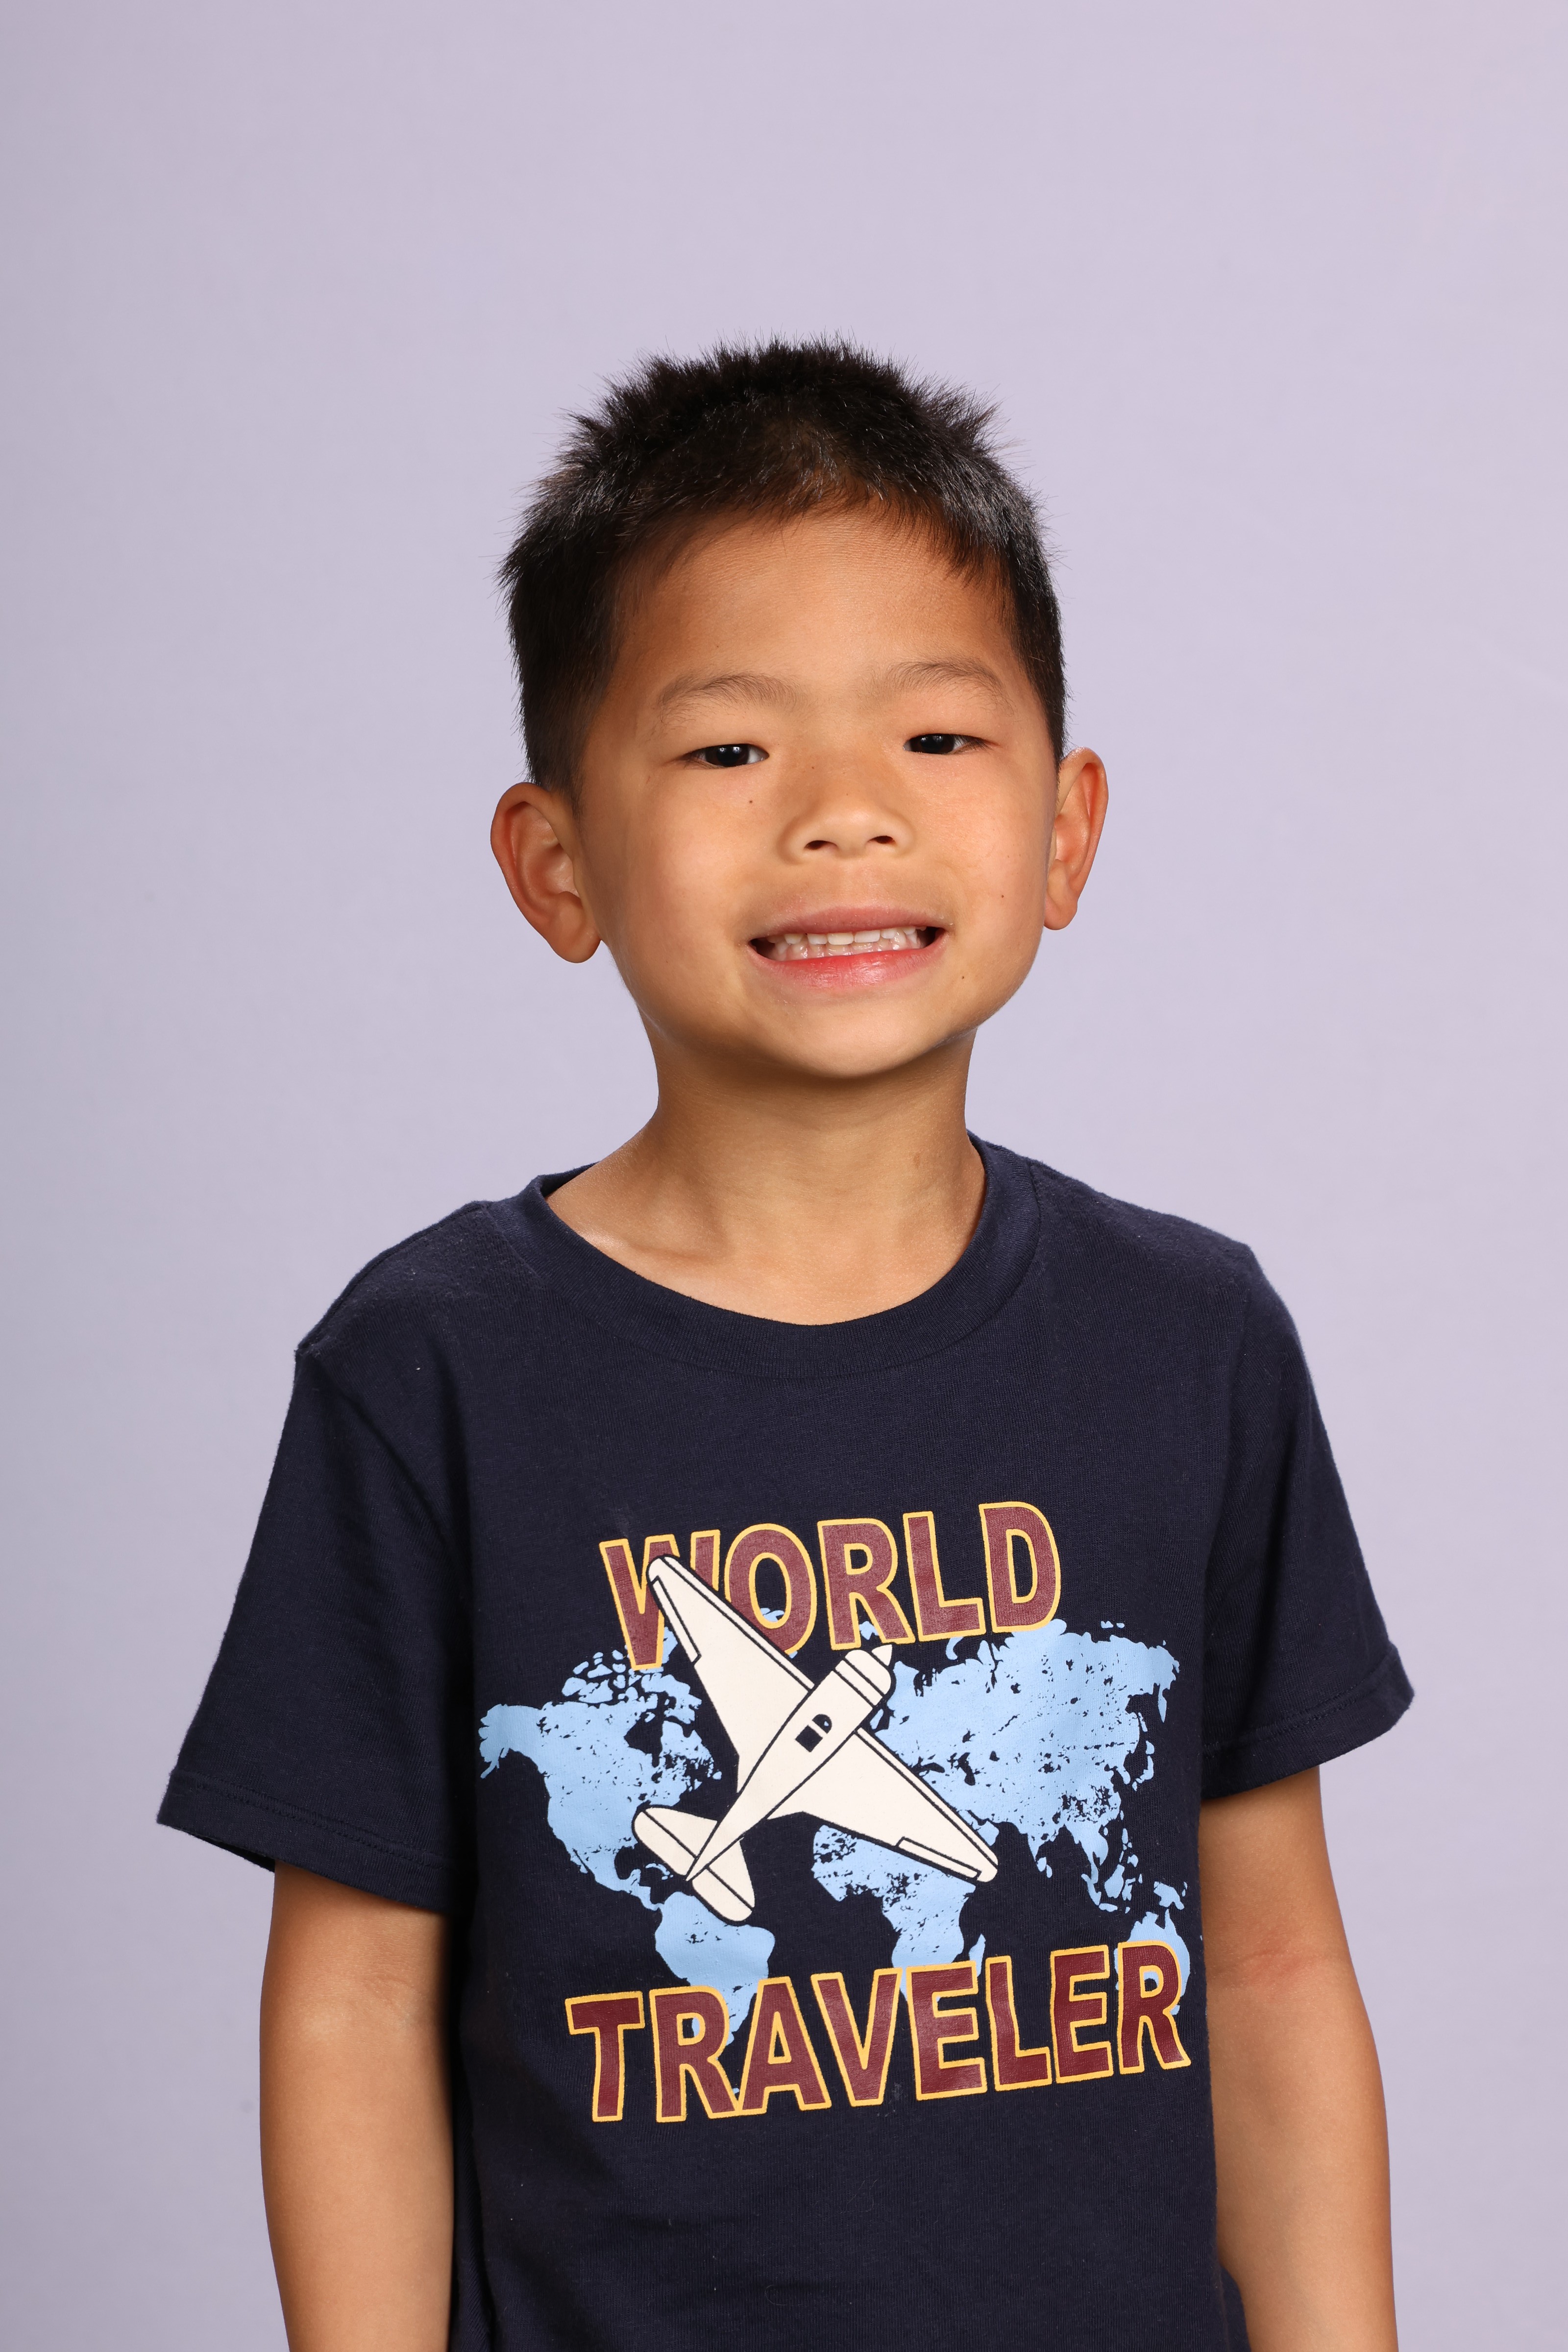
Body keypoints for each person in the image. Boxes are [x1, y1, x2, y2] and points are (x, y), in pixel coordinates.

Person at [160, 340, 1411, 2352]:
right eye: (731, 750)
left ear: (1066, 830)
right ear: (557, 863)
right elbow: (354, 2002)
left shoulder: (1191, 1340)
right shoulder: (432, 1372)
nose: (843, 816)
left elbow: (1266, 1969)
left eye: (936, 734)